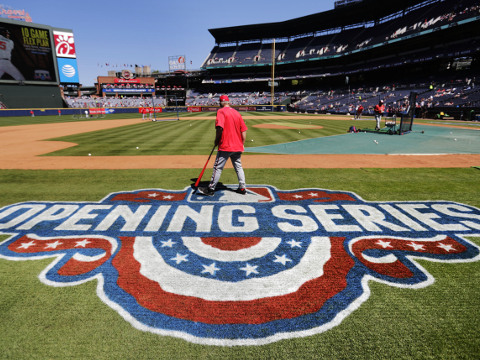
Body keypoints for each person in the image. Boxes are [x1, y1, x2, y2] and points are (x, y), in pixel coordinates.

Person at [198, 95, 248, 196]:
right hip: (237, 146)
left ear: (221, 102)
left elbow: (219, 128)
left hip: (225, 145)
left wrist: (216, 140)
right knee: (238, 167)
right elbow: (244, 131)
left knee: (218, 168)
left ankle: (211, 189)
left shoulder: (221, 111)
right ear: (228, 102)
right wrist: (241, 144)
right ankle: (242, 188)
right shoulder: (237, 113)